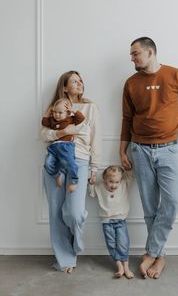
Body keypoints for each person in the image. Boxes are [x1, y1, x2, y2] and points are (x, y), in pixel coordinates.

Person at [120, 37, 178, 279]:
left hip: (169, 149)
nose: (131, 58)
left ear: (150, 52)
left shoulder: (176, 75)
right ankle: (160, 256)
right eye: (131, 54)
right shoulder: (131, 83)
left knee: (172, 202)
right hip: (139, 150)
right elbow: (127, 119)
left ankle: (151, 252)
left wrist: (172, 127)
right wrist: (122, 150)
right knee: (150, 207)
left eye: (135, 54)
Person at [41, 70, 101, 273]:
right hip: (55, 160)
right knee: (56, 212)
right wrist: (61, 132)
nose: (80, 83)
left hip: (80, 161)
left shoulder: (90, 108)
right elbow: (44, 134)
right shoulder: (54, 108)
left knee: (73, 212)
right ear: (65, 86)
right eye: (74, 81)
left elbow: (96, 140)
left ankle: (75, 245)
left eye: (81, 80)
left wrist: (94, 168)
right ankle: (65, 259)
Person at [88, 165, 134, 279]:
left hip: (120, 220)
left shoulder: (123, 184)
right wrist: (91, 182)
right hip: (106, 221)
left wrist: (127, 164)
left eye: (116, 182)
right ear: (105, 179)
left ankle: (126, 267)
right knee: (111, 244)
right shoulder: (100, 187)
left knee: (123, 243)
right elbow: (92, 193)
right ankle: (119, 266)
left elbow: (130, 174)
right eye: (111, 182)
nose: (114, 185)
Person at [42, 98, 85, 192]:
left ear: (67, 113)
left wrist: (73, 111)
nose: (57, 115)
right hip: (53, 147)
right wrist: (48, 113)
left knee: (69, 162)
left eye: (60, 112)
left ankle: (74, 180)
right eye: (55, 112)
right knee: (47, 163)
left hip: (66, 146)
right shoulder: (52, 120)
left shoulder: (70, 119)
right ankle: (57, 175)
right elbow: (44, 122)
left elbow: (81, 118)